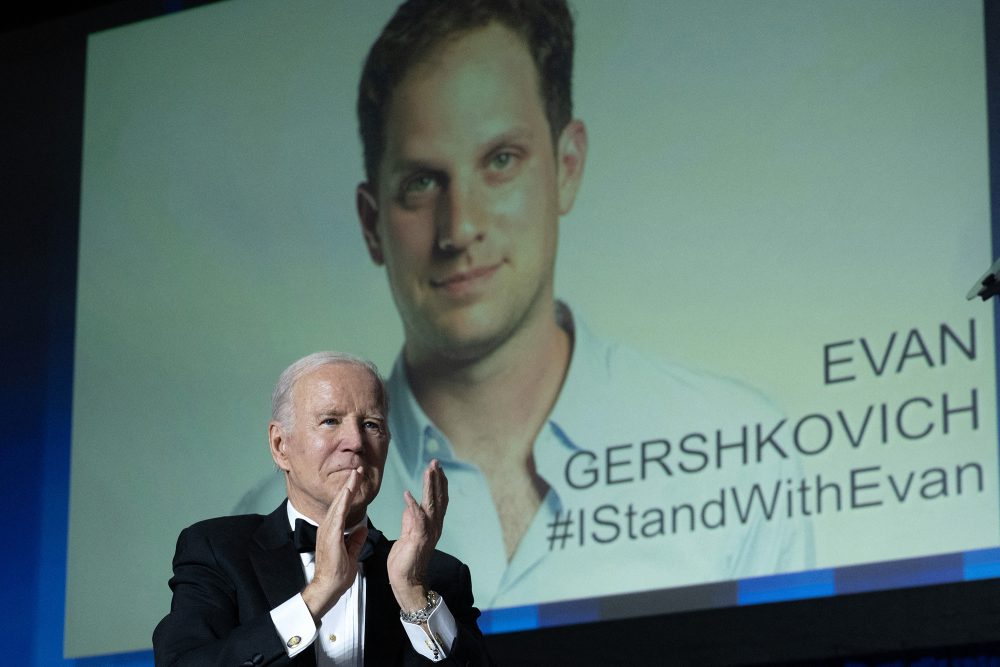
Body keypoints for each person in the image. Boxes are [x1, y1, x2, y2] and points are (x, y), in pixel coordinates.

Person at [238, 0, 813, 609]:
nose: (459, 229)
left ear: (567, 167)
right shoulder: (260, 528)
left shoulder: (738, 449)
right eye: (421, 182)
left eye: (501, 161)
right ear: (372, 222)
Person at [155, 352, 492, 665]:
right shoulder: (217, 550)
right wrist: (316, 595)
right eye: (330, 421)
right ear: (280, 445)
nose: (356, 443)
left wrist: (413, 593)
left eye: (371, 424)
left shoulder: (438, 577)